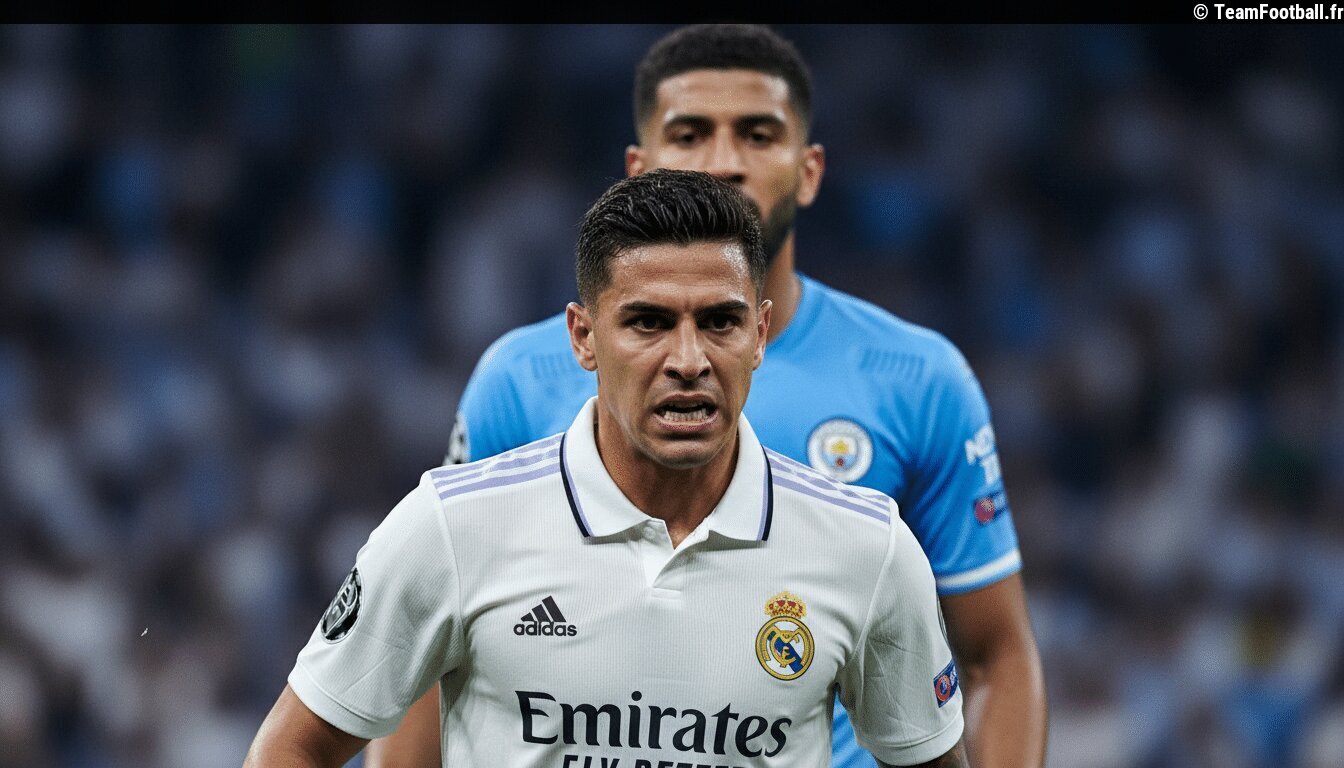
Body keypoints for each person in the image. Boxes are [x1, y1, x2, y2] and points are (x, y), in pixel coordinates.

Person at [371, 24, 1046, 768]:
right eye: (690, 134)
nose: (725, 161)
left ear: (809, 171)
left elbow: (994, 658)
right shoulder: (519, 379)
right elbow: (431, 643)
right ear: (636, 170)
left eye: (758, 134)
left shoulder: (919, 380)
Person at [243, 169, 969, 768]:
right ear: (584, 337)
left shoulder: (867, 547)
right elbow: (293, 749)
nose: (688, 360)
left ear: (759, 333)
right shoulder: (451, 526)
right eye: (649, 322)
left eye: (719, 321)